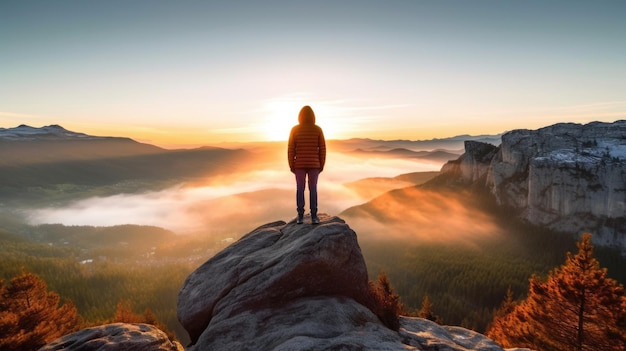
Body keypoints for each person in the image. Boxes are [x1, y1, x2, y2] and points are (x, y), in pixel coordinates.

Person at [288, 105, 326, 224]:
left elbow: (291, 149)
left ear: (300, 116)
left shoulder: (295, 129)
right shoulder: (318, 129)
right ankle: (314, 216)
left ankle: (300, 216)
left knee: (300, 189)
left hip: (299, 164)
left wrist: (291, 165)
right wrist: (321, 165)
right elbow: (323, 149)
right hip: (314, 165)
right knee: (313, 189)